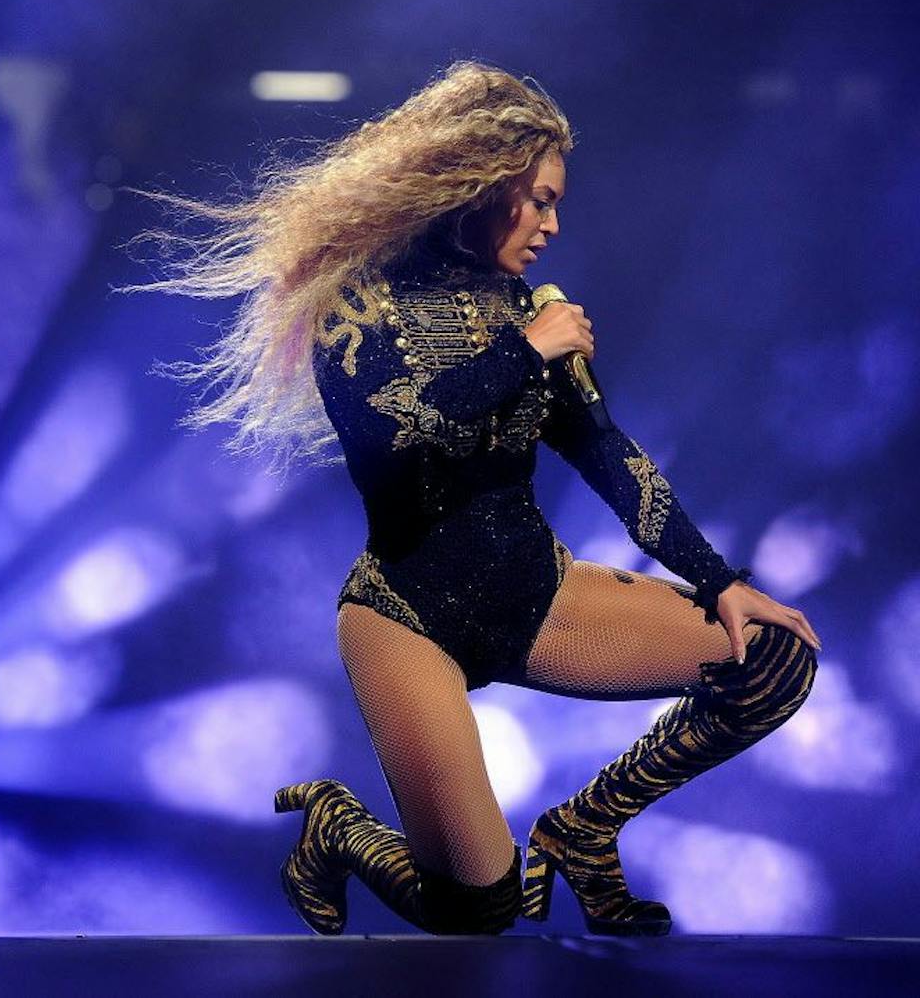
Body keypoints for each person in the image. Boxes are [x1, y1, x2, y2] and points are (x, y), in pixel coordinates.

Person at [124, 60, 821, 937]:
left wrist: (719, 578)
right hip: (407, 615)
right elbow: (398, 438)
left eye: (556, 202)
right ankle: (339, 830)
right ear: (479, 186)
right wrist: (527, 351)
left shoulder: (534, 308)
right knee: (479, 911)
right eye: (538, 199)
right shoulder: (357, 306)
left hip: (539, 597)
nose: (552, 224)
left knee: (772, 657)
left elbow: (608, 455)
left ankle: (585, 827)